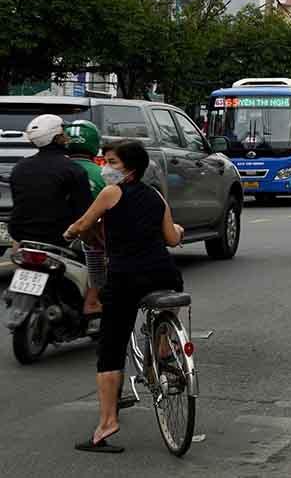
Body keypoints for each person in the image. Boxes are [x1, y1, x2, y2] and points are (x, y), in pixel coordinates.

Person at [64, 139, 184, 454]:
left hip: (126, 279)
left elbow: (82, 225)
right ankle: (162, 351)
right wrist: (180, 232)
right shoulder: (157, 197)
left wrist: (70, 232)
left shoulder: (110, 193)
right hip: (163, 274)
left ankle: (107, 423)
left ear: (129, 168)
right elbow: (171, 239)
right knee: (162, 304)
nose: (105, 167)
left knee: (111, 348)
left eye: (112, 162)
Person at [9, 114, 92, 248]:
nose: (67, 137)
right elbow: (85, 211)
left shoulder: (19, 167)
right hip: (60, 239)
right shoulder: (73, 169)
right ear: (57, 138)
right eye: (63, 133)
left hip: (21, 236)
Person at [64, 120, 107, 318]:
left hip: (41, 232)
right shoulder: (101, 174)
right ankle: (93, 300)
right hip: (81, 236)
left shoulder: (54, 167)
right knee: (103, 256)